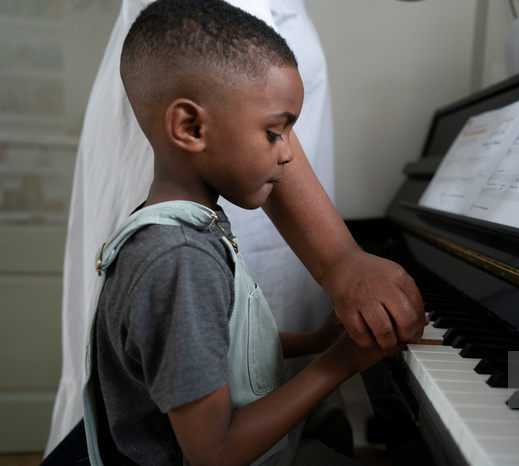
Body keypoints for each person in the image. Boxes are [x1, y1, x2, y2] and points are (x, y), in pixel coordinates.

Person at [47, 0, 427, 452]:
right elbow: (216, 453)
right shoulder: (179, 261)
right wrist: (339, 360)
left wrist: (314, 340)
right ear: (190, 127)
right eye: (274, 133)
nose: (288, 153)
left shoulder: (186, 229)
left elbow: (213, 344)